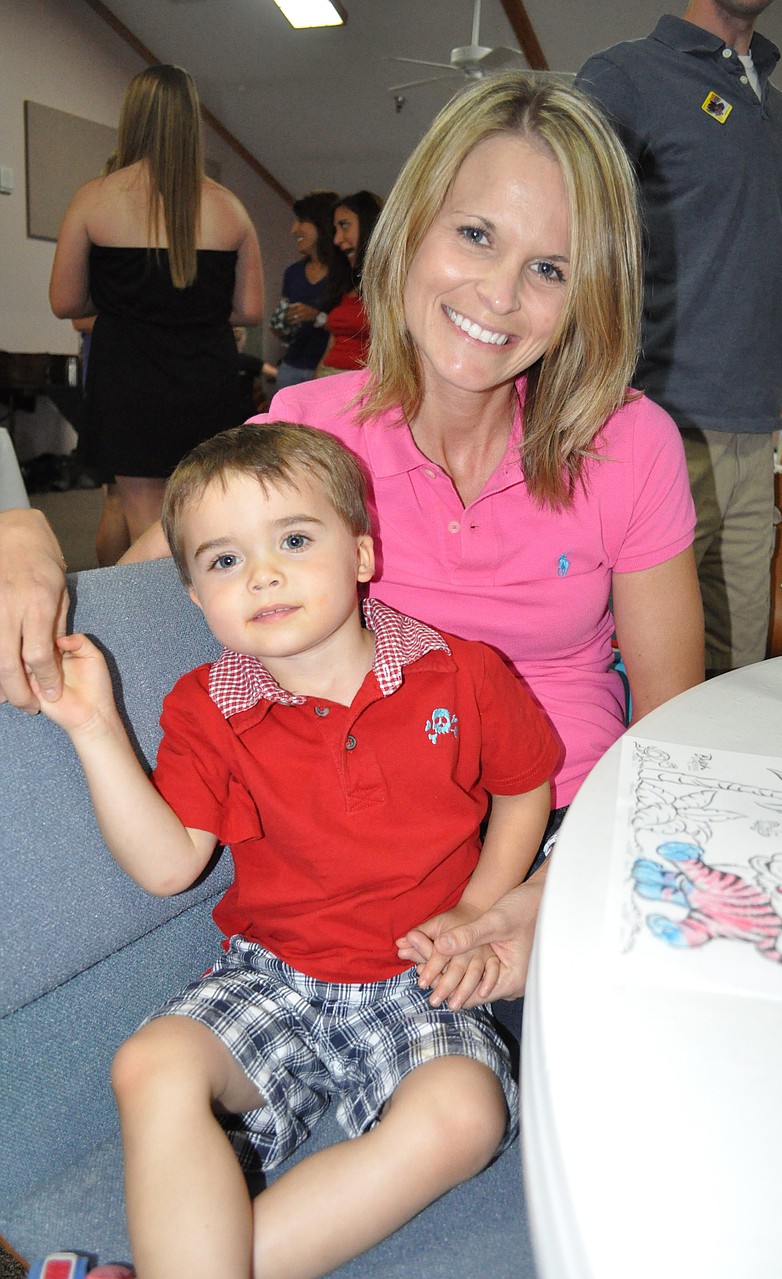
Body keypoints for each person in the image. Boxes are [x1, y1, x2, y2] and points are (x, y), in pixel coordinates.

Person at [0, 72, 704, 1003]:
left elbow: (669, 729)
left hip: (567, 824)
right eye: (476, 234)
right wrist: (22, 535)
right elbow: (150, 571)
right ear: (413, 227)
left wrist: (548, 891)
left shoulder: (630, 441)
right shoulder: (309, 432)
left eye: (551, 268)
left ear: (590, 294)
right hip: (374, 854)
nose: (498, 293)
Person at [32, 421, 558, 1278]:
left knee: (466, 1113)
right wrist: (94, 727)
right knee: (150, 1062)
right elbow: (169, 865)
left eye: (295, 540)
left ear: (362, 553)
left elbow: (524, 786)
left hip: (420, 979)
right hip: (275, 975)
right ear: (195, 597)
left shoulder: (463, 672)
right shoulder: (205, 706)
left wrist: (479, 907)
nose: (263, 574)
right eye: (224, 559)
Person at [576, 0, 782, 677]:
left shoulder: (779, 111)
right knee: (638, 675)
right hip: (648, 429)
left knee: (734, 677)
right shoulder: (625, 77)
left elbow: (771, 277)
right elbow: (569, 242)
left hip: (753, 445)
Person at [49, 64, 264, 542]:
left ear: (132, 118)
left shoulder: (94, 198)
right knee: (203, 513)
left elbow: (65, 301)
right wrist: (188, 306)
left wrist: (129, 299)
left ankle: (155, 593)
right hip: (206, 376)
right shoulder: (229, 206)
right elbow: (249, 310)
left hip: (128, 374)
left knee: (145, 519)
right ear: (192, 122)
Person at [271, 190, 339, 392]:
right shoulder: (293, 272)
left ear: (321, 224)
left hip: (330, 371)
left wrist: (316, 316)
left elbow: (353, 325)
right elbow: (284, 330)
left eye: (301, 221)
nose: (294, 229)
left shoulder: (344, 274)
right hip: (291, 368)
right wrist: (281, 324)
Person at [315, 191, 382, 376]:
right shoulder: (347, 284)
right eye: (335, 230)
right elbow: (333, 342)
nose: (337, 239)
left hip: (364, 383)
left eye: (344, 225)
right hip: (327, 378)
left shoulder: (391, 289)